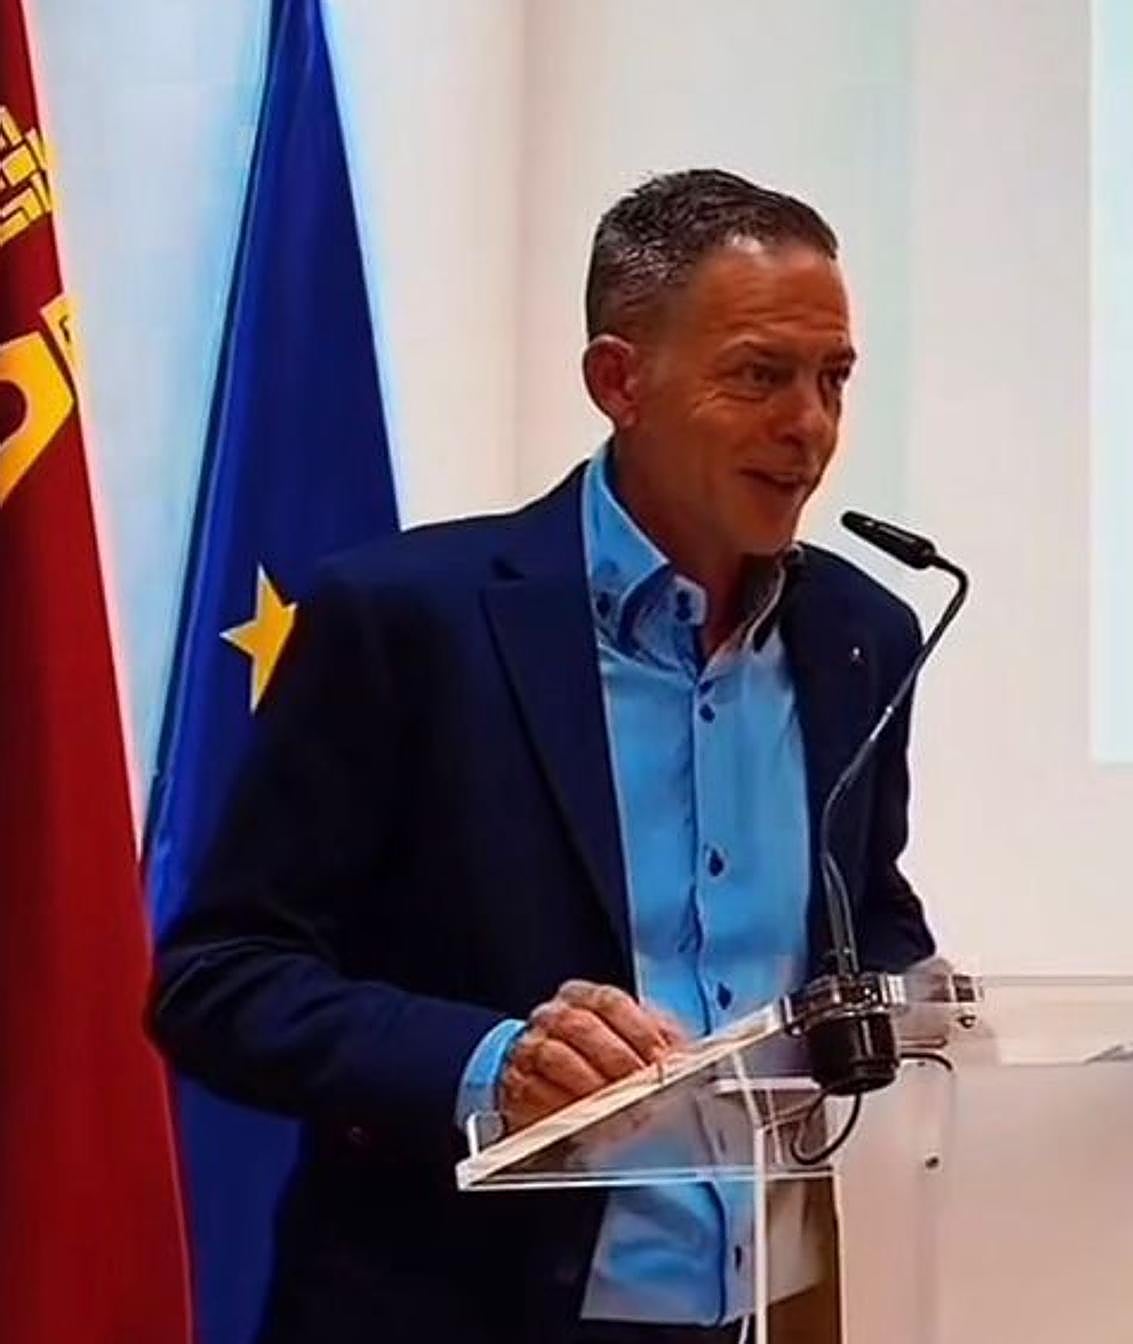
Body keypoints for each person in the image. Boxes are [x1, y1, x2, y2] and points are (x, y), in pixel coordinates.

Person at [151, 168, 937, 1344]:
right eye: (758, 375)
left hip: (764, 1311)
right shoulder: (411, 621)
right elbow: (222, 978)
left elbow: (862, 908)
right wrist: (492, 1064)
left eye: (832, 378)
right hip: (456, 1307)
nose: (808, 426)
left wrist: (919, 998)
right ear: (619, 381)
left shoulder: (860, 636)